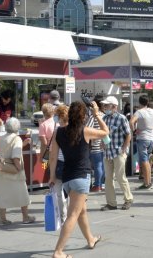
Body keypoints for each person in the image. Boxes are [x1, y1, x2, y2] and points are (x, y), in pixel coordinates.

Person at [48, 100, 108, 258]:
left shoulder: (59, 132)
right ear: (83, 116)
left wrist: (52, 176)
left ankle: (90, 239)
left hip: (67, 177)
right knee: (73, 214)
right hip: (81, 177)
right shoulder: (86, 131)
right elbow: (106, 132)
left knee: (81, 211)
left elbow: (53, 157)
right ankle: (58, 251)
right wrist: (97, 115)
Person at [0, 117, 35, 225]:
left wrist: (23, 144)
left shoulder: (2, 138)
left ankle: (2, 218)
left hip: (2, 168)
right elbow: (15, 156)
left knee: (2, 193)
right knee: (23, 193)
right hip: (14, 170)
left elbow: (8, 149)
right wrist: (19, 169)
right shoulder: (17, 139)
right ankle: (25, 217)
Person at [100, 96, 134, 211]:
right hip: (108, 152)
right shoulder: (104, 118)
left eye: (107, 105)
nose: (105, 107)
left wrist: (124, 147)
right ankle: (111, 203)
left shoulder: (121, 118)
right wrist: (102, 143)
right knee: (108, 178)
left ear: (114, 107)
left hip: (118, 151)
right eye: (104, 105)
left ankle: (128, 199)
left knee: (120, 177)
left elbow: (128, 134)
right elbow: (104, 134)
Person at [130, 95, 153, 190]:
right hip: (151, 138)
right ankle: (148, 181)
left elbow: (131, 122)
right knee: (147, 160)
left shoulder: (139, 112)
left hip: (142, 138)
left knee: (144, 161)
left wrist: (134, 130)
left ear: (139, 102)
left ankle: (146, 182)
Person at [52, 105, 69, 224]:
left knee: (59, 192)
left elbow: (53, 154)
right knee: (69, 192)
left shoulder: (57, 131)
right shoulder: (75, 129)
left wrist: (51, 174)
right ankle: (68, 215)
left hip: (59, 163)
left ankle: (63, 216)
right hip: (71, 164)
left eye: (56, 115)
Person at [87, 95, 105, 193]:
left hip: (94, 144)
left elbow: (88, 129)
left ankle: (97, 185)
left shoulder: (93, 117)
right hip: (103, 144)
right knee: (101, 165)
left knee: (97, 165)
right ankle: (101, 184)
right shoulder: (103, 115)